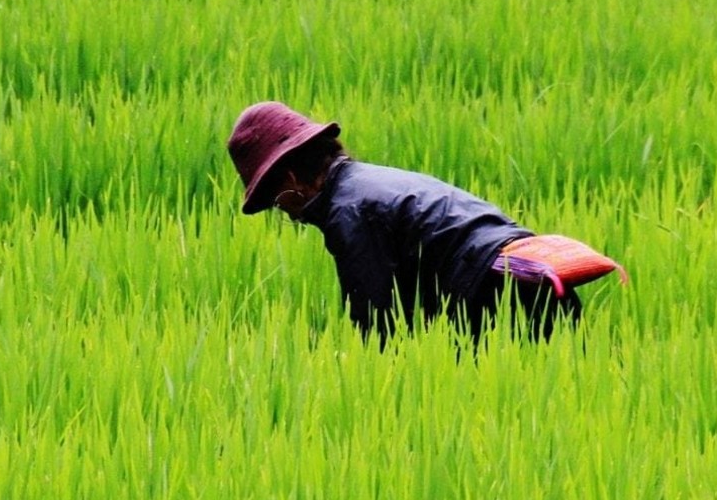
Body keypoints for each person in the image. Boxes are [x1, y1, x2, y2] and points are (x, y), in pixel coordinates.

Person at [226, 101, 581, 347]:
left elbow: (375, 325)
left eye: (276, 201)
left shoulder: (349, 211)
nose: (286, 214)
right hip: (533, 278)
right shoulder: (370, 182)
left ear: (292, 180)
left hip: (497, 300)